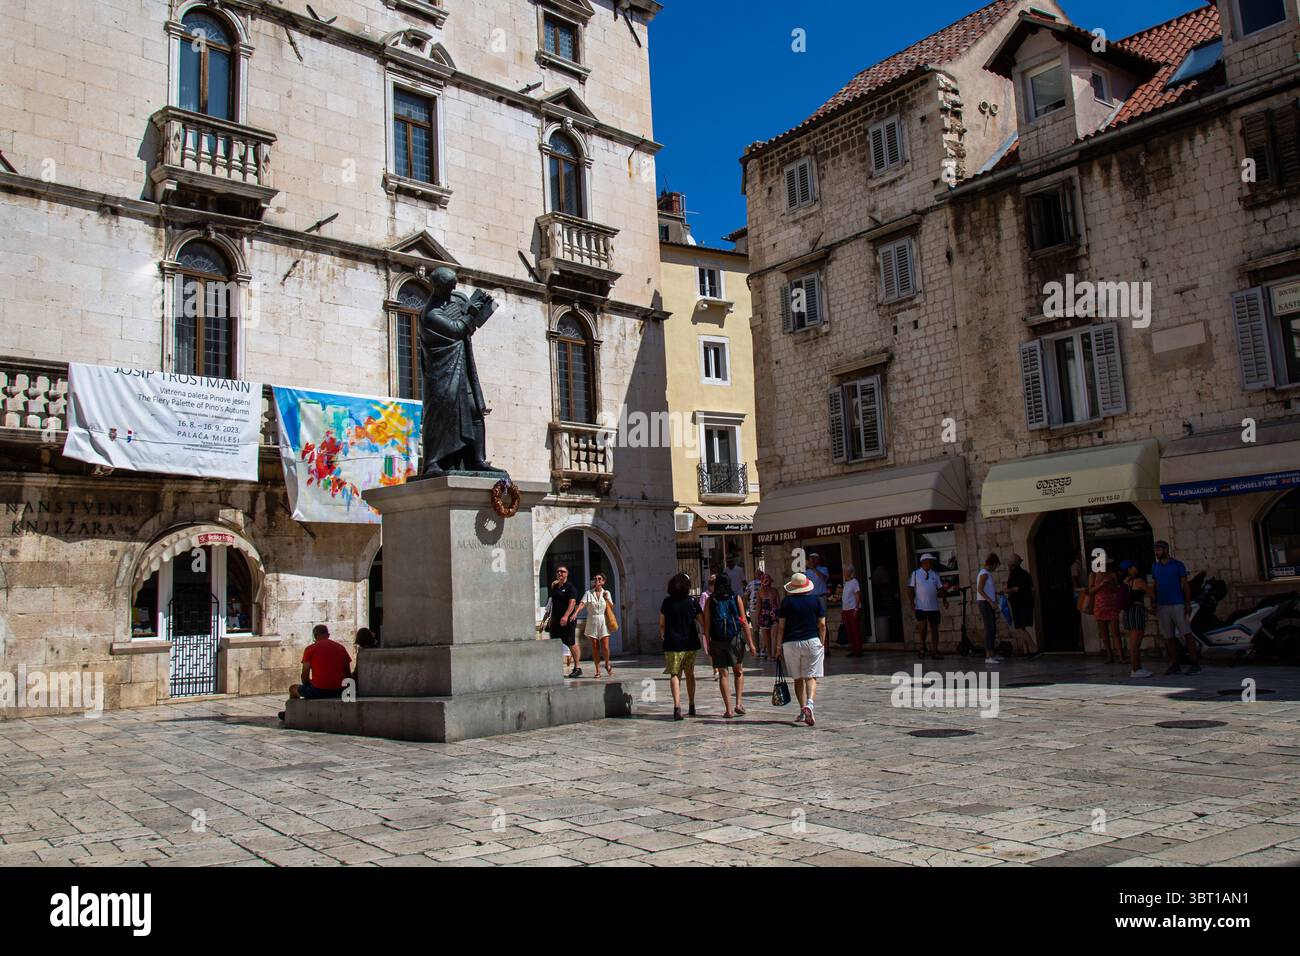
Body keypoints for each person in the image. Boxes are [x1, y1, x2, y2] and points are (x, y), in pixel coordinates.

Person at [701, 573, 756, 718]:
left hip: (717, 640)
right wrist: (751, 643)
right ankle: (738, 703)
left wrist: (708, 643)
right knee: (738, 672)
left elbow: (706, 624)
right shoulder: (735, 598)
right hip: (734, 639)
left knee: (723, 674)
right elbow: (744, 622)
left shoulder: (710, 600)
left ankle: (728, 709)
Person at [777, 572, 827, 727]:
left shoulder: (786, 602)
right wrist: (822, 643)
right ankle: (810, 704)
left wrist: (778, 647)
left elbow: (781, 626)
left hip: (790, 643)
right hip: (811, 640)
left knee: (797, 678)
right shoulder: (817, 600)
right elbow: (822, 624)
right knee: (811, 677)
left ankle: (802, 710)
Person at [1151, 540, 1200, 675]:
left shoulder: (1178, 565)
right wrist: (1154, 601)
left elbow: (1185, 584)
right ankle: (1174, 664)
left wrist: (1187, 603)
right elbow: (1154, 585)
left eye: (1159, 550)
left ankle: (1195, 663)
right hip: (1162, 605)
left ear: (1166, 550)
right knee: (1168, 637)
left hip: (1177, 603)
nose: (1156, 552)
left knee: (1186, 633)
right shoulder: (1155, 566)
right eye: (1155, 550)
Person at [660, 573, 704, 720]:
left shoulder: (667, 602)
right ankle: (691, 704)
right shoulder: (692, 602)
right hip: (690, 643)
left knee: (675, 674)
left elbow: (662, 623)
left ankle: (677, 706)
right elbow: (702, 621)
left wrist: (663, 635)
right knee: (689, 673)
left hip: (672, 643)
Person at [288, 624, 352, 700]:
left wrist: (307, 685)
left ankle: (295, 708)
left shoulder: (310, 649)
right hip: (341, 690)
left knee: (293, 689)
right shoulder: (341, 648)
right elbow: (348, 674)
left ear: (315, 636)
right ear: (328, 635)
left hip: (319, 690)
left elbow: (305, 676)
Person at [542, 566, 583, 678]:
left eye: (563, 571)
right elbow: (552, 605)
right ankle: (555, 667)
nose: (560, 573)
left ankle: (577, 667)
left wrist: (565, 616)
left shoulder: (570, 587)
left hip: (568, 620)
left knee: (570, 642)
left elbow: (572, 603)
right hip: (556, 621)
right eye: (558, 571)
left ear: (567, 574)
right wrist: (548, 619)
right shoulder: (555, 588)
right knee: (555, 642)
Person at [908, 553, 948, 659]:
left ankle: (935, 650)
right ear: (924, 562)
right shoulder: (915, 574)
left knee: (934, 628)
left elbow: (941, 588)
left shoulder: (935, 574)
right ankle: (923, 646)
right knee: (923, 627)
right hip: (920, 606)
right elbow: (910, 589)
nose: (931, 563)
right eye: (929, 561)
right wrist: (912, 602)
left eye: (931, 561)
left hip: (933, 607)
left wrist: (944, 600)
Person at [1118, 560, 1153, 678]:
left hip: (1128, 613)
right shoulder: (1138, 581)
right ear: (1129, 569)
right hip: (1136, 612)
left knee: (1134, 643)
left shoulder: (1124, 582)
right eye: (1133, 567)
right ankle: (1135, 669)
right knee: (1135, 643)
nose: (1136, 568)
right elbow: (1151, 593)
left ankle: (1138, 667)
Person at [1088, 561, 1124, 664]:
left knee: (1116, 632)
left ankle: (1121, 656)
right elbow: (1090, 591)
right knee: (1104, 633)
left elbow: (1117, 589)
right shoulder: (1093, 575)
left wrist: (1110, 586)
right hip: (1100, 606)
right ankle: (1109, 656)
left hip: (1111, 605)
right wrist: (1100, 585)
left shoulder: (1112, 575)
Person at [1004, 554, 1039, 659]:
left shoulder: (1014, 574)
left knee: (1019, 628)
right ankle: (1026, 650)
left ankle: (1034, 648)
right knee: (1022, 626)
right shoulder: (1025, 573)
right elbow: (1032, 589)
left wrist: (1005, 590)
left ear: (1012, 565)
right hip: (1027, 603)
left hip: (1019, 604)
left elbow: (1015, 589)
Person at [581, 573, 614, 678]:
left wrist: (607, 598)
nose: (597, 580)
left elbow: (611, 606)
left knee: (605, 647)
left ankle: (607, 663)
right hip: (592, 620)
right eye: (595, 578)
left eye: (599, 579)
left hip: (603, 620)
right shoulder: (588, 593)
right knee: (595, 647)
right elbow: (582, 603)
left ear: (603, 581)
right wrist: (575, 613)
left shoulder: (606, 593)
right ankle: (597, 670)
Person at [976, 553, 1003, 665]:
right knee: (989, 629)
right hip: (985, 604)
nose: (996, 568)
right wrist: (991, 602)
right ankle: (988, 656)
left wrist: (996, 594)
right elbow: (979, 589)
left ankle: (992, 653)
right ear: (993, 564)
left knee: (992, 628)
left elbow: (987, 589)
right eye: (996, 565)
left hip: (987, 603)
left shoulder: (987, 574)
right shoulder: (984, 574)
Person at [755, 573, 780, 661]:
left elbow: (758, 606)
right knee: (774, 636)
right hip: (774, 614)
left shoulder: (760, 592)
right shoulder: (775, 591)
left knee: (766, 636)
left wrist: (757, 617)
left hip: (764, 615)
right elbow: (778, 605)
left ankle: (769, 655)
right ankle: (774, 655)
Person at [841, 565, 864, 657]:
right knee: (849, 630)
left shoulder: (854, 582)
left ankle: (859, 650)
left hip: (852, 609)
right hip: (846, 609)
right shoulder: (846, 583)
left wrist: (856, 609)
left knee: (855, 630)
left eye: (845, 571)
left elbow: (857, 596)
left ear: (850, 572)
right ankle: (853, 649)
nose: (844, 573)